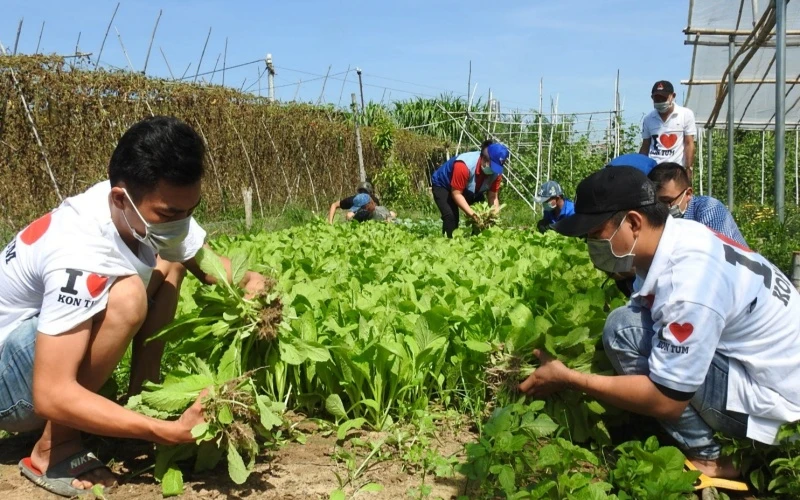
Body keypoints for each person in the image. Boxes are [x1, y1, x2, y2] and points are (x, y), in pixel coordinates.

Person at [0, 116, 270, 496]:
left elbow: (203, 261)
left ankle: (141, 394)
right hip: (7, 383)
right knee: (127, 295)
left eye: (189, 209)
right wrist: (169, 432)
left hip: (33, 351)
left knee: (170, 260)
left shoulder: (142, 210)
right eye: (170, 214)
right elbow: (50, 392)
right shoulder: (80, 248)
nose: (181, 223)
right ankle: (52, 448)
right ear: (121, 199)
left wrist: (251, 282)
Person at [519, 166, 800, 480]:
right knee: (627, 323)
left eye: (596, 236)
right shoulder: (684, 234)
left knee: (624, 332)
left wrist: (570, 377)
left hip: (782, 413)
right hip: (775, 374)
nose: (591, 247)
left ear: (634, 222)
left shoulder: (688, 282)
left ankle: (712, 458)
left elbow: (666, 402)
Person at [648, 162, 747, 248]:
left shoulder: (709, 209)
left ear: (688, 194)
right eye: (656, 202)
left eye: (667, 201)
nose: (661, 208)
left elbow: (715, 253)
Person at [430, 140, 509, 238]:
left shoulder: (496, 173)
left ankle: (476, 244)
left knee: (484, 218)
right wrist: (473, 215)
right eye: (492, 166)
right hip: (443, 185)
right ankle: (448, 244)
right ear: (484, 158)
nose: (494, 170)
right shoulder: (463, 166)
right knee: (451, 217)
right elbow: (457, 194)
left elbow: (493, 196)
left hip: (470, 189)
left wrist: (494, 215)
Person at [639, 80, 697, 178]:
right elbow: (645, 146)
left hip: (676, 170)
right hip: (654, 170)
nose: (660, 101)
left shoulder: (685, 115)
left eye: (663, 98)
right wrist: (639, 168)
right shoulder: (648, 119)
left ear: (672, 96)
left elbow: (689, 143)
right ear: (652, 98)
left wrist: (688, 168)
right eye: (657, 98)